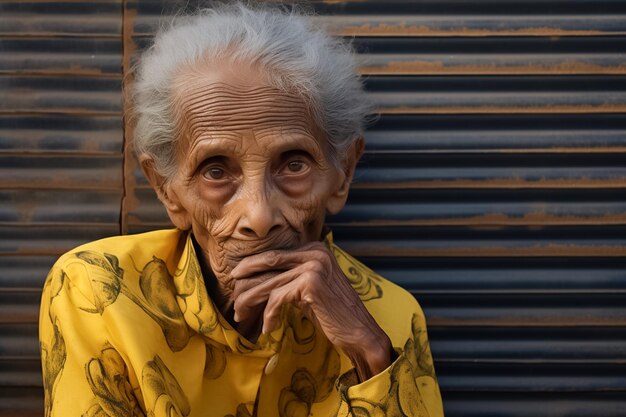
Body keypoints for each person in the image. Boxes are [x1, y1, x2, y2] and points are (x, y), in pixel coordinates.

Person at [39, 3, 444, 416]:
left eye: (294, 165)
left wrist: (372, 357)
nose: (259, 216)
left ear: (343, 174)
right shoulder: (101, 291)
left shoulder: (388, 317)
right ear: (166, 190)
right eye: (216, 171)